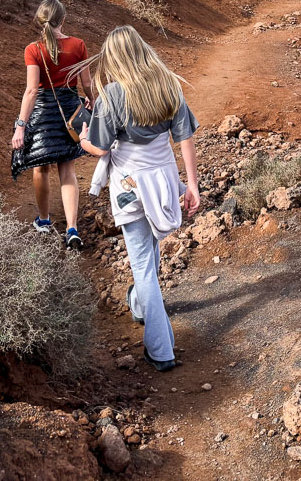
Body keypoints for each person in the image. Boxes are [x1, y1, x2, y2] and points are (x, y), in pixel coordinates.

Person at [76, 26, 200, 372]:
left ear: (114, 57)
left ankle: (160, 350)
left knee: (143, 265)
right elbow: (185, 137)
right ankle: (142, 305)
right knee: (151, 251)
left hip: (129, 187)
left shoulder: (112, 95)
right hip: (164, 182)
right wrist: (192, 185)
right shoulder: (168, 84)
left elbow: (101, 148)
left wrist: (83, 139)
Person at [10, 0, 95, 252]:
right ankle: (72, 229)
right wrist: (91, 101)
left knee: (40, 168)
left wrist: (21, 125)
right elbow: (87, 83)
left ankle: (44, 221)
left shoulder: (33, 49)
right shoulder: (78, 45)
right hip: (69, 111)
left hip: (43, 112)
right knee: (67, 170)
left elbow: (31, 91)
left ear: (40, 21)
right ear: (63, 19)